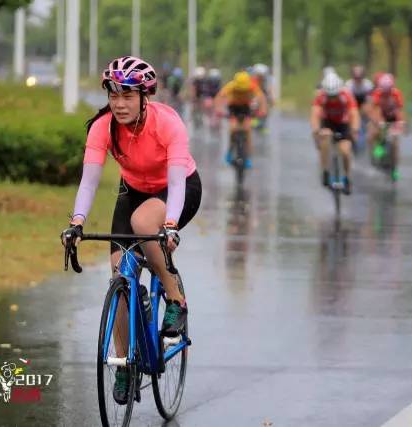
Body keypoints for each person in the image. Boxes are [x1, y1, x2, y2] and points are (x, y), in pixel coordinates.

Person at [61, 55, 202, 404]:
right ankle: (123, 362)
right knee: (119, 274)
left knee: (143, 225)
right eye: (114, 95)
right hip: (133, 190)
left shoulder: (167, 123)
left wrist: (169, 225)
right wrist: (77, 221)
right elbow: (89, 181)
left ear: (144, 97)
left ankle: (175, 298)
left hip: (177, 187)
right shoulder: (103, 127)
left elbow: (176, 182)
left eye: (127, 96)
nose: (119, 104)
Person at [310, 72, 360, 194]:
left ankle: (347, 178)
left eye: (335, 96)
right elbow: (315, 115)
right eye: (330, 96)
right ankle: (325, 170)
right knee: (325, 137)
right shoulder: (321, 96)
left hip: (343, 124)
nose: (332, 98)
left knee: (346, 151)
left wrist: (354, 130)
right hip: (327, 123)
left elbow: (354, 114)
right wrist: (316, 131)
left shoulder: (346, 95)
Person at [214, 71, 268, 168]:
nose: (242, 91)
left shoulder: (252, 86)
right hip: (233, 106)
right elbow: (219, 97)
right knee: (233, 128)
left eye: (244, 90)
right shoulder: (231, 86)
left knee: (247, 129)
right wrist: (218, 109)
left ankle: (247, 157)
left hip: (246, 106)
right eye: (240, 90)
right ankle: (230, 151)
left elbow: (262, 98)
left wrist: (263, 110)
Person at [367, 73, 405, 181]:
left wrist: (400, 123)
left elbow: (399, 110)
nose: (387, 94)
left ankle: (395, 168)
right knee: (373, 133)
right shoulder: (377, 94)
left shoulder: (396, 94)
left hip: (392, 117)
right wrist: (378, 122)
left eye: (388, 91)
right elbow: (374, 110)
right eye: (385, 91)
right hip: (380, 116)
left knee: (395, 142)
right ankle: (377, 150)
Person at [345, 65, 374, 152]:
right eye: (356, 78)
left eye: (360, 78)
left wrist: (366, 112)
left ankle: (369, 145)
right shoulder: (348, 85)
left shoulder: (368, 85)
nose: (358, 80)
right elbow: (347, 103)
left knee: (368, 121)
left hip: (363, 105)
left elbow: (370, 102)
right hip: (352, 105)